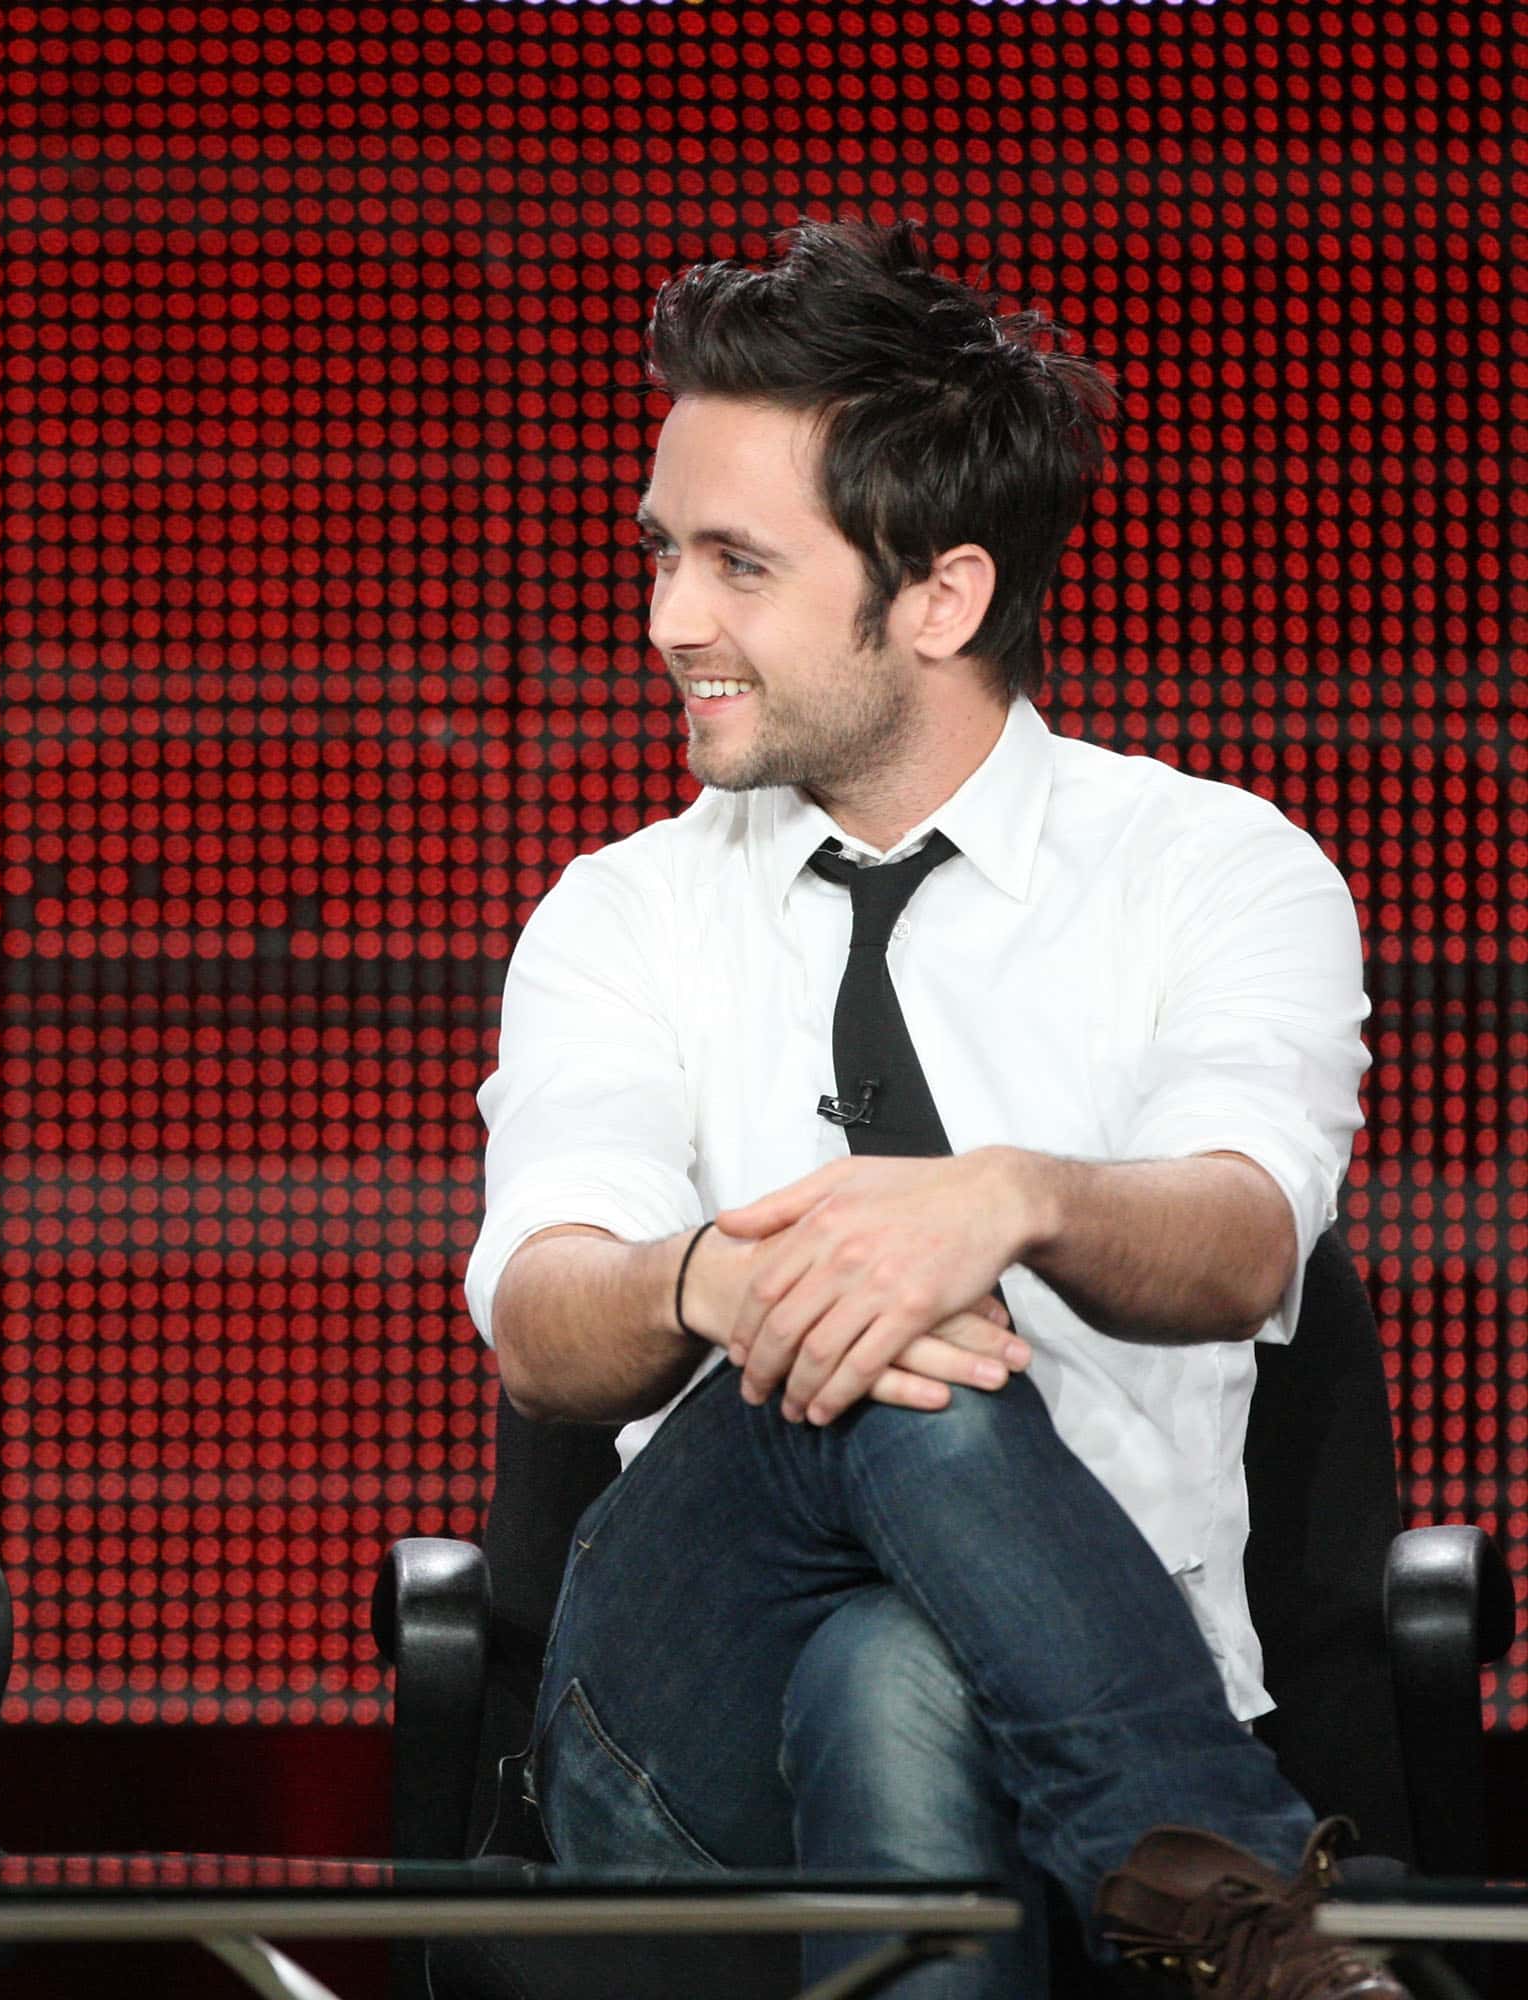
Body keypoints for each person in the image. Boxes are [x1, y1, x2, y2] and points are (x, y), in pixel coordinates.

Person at [468, 220, 1397, 1999]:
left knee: (892, 1661)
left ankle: (1175, 1855)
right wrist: (719, 1287)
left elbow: (1244, 1235)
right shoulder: (620, 911)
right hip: (678, 1737)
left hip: (1049, 1730)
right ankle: (1229, 1888)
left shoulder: (1218, 870)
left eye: (740, 565)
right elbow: (540, 1320)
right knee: (860, 1313)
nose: (670, 621)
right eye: (664, 553)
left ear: (943, 597)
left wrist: (1012, 1200)